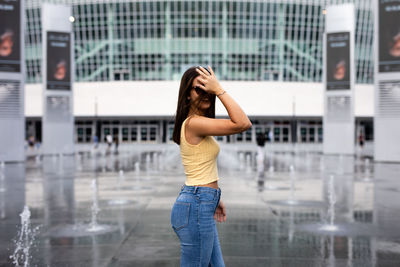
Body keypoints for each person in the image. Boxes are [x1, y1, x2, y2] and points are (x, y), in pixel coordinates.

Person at [171, 66, 252, 266]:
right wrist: (219, 89)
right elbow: (242, 123)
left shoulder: (198, 123)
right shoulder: (193, 123)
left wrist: (215, 197)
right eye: (200, 89)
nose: (207, 94)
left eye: (209, 89)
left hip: (202, 201)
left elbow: (200, 166)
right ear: (187, 95)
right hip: (197, 203)